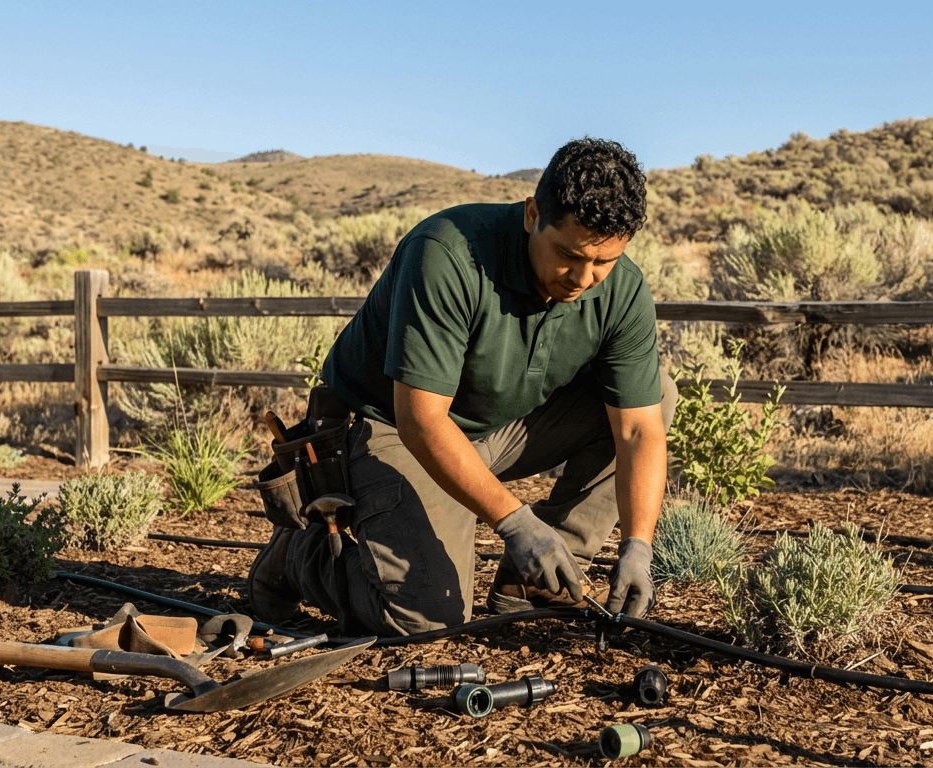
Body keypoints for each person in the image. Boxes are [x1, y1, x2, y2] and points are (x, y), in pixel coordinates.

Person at [247, 137, 677, 637]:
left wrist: (637, 547)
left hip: (488, 429)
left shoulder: (621, 289)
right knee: (427, 618)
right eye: (568, 254)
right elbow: (422, 420)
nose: (584, 278)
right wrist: (514, 522)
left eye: (604, 262)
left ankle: (533, 583)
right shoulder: (448, 253)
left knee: (654, 395)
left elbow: (638, 432)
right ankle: (301, 556)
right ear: (533, 213)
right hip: (384, 427)